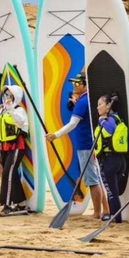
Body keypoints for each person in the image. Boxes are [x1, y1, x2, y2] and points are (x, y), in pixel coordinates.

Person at [44, 72, 108, 219]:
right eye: (73, 82)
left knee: (93, 181)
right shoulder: (85, 100)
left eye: (78, 83)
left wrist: (55, 135)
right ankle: (105, 210)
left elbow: (73, 123)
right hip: (88, 144)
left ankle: (97, 213)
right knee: (95, 178)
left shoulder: (83, 102)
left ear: (85, 85)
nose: (74, 85)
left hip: (86, 145)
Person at [0, 84, 31, 216]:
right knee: (11, 174)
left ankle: (7, 204)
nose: (6, 98)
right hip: (4, 145)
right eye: (4, 95)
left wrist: (10, 109)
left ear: (15, 96)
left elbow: (21, 123)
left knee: (7, 173)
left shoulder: (18, 110)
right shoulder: (1, 109)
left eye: (9, 95)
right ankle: (21, 203)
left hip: (16, 146)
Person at [95, 94, 127, 222]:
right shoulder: (117, 117)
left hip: (110, 161)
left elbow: (111, 130)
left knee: (111, 192)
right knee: (112, 191)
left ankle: (117, 219)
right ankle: (114, 217)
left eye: (100, 104)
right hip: (119, 161)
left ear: (108, 105)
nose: (98, 108)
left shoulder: (110, 119)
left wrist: (102, 120)